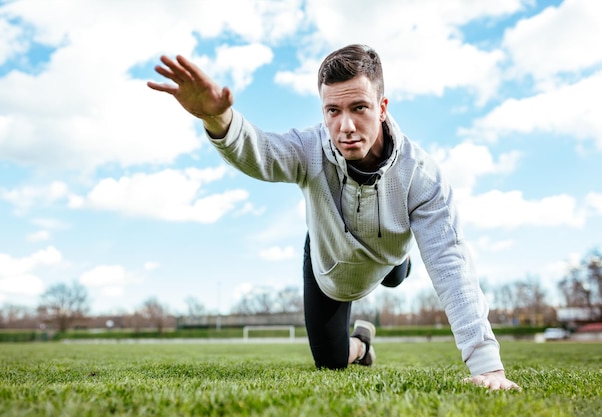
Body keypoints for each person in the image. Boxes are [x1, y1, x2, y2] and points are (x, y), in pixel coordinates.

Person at [148, 44, 520, 391]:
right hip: (330, 260)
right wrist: (219, 118)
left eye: (359, 107)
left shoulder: (421, 176)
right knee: (330, 362)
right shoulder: (309, 148)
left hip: (387, 252)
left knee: (397, 272)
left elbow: (451, 264)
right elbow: (261, 152)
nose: (345, 126)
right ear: (323, 110)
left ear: (382, 107)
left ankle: (400, 256)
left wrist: (487, 366)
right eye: (333, 111)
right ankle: (363, 343)